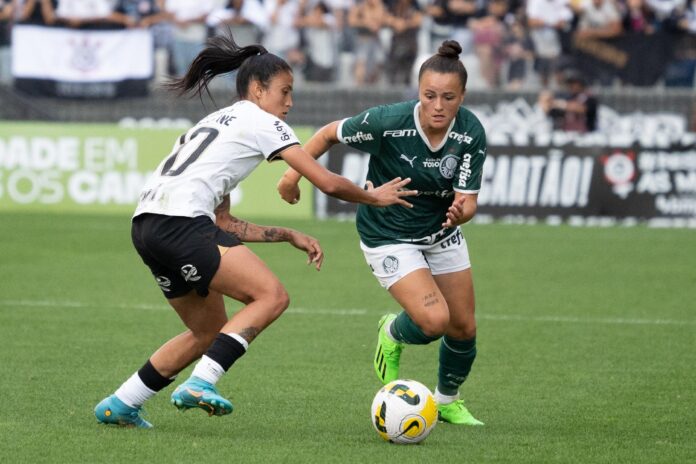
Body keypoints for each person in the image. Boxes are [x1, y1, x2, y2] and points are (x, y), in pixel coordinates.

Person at [94, 33, 416, 429]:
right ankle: (200, 383)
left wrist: (286, 234)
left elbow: (224, 223)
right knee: (271, 296)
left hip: (146, 226)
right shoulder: (261, 121)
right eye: (285, 91)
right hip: (182, 224)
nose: (290, 103)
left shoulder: (214, 121)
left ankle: (121, 402)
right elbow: (328, 182)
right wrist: (374, 197)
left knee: (208, 330)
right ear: (259, 89)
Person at [278, 40, 487, 426]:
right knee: (433, 322)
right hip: (388, 233)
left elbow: (468, 200)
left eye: (448, 97)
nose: (438, 106)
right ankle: (391, 332)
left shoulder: (470, 131)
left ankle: (446, 401)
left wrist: (461, 213)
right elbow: (327, 134)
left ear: (462, 96)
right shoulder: (388, 122)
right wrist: (292, 176)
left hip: (441, 233)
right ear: (418, 92)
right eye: (429, 96)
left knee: (464, 327)